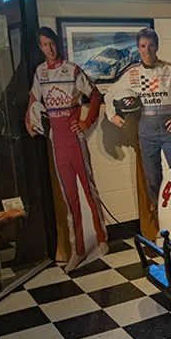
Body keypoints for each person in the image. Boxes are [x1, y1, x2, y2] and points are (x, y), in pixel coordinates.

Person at [27, 27, 106, 269]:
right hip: (57, 141)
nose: (49, 49)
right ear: (39, 47)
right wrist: (29, 121)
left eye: (51, 44)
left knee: (89, 191)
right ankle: (78, 249)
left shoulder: (71, 69)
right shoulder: (39, 73)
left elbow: (95, 95)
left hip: (74, 140)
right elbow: (33, 100)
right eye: (44, 45)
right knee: (69, 197)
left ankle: (102, 239)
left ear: (57, 44)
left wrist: (85, 122)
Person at [104, 28, 171, 198]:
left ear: (157, 47)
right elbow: (109, 94)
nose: (147, 50)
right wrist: (112, 115)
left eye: (151, 46)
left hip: (168, 129)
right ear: (138, 48)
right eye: (143, 46)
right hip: (146, 131)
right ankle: (158, 215)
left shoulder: (169, 70)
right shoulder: (132, 72)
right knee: (153, 178)